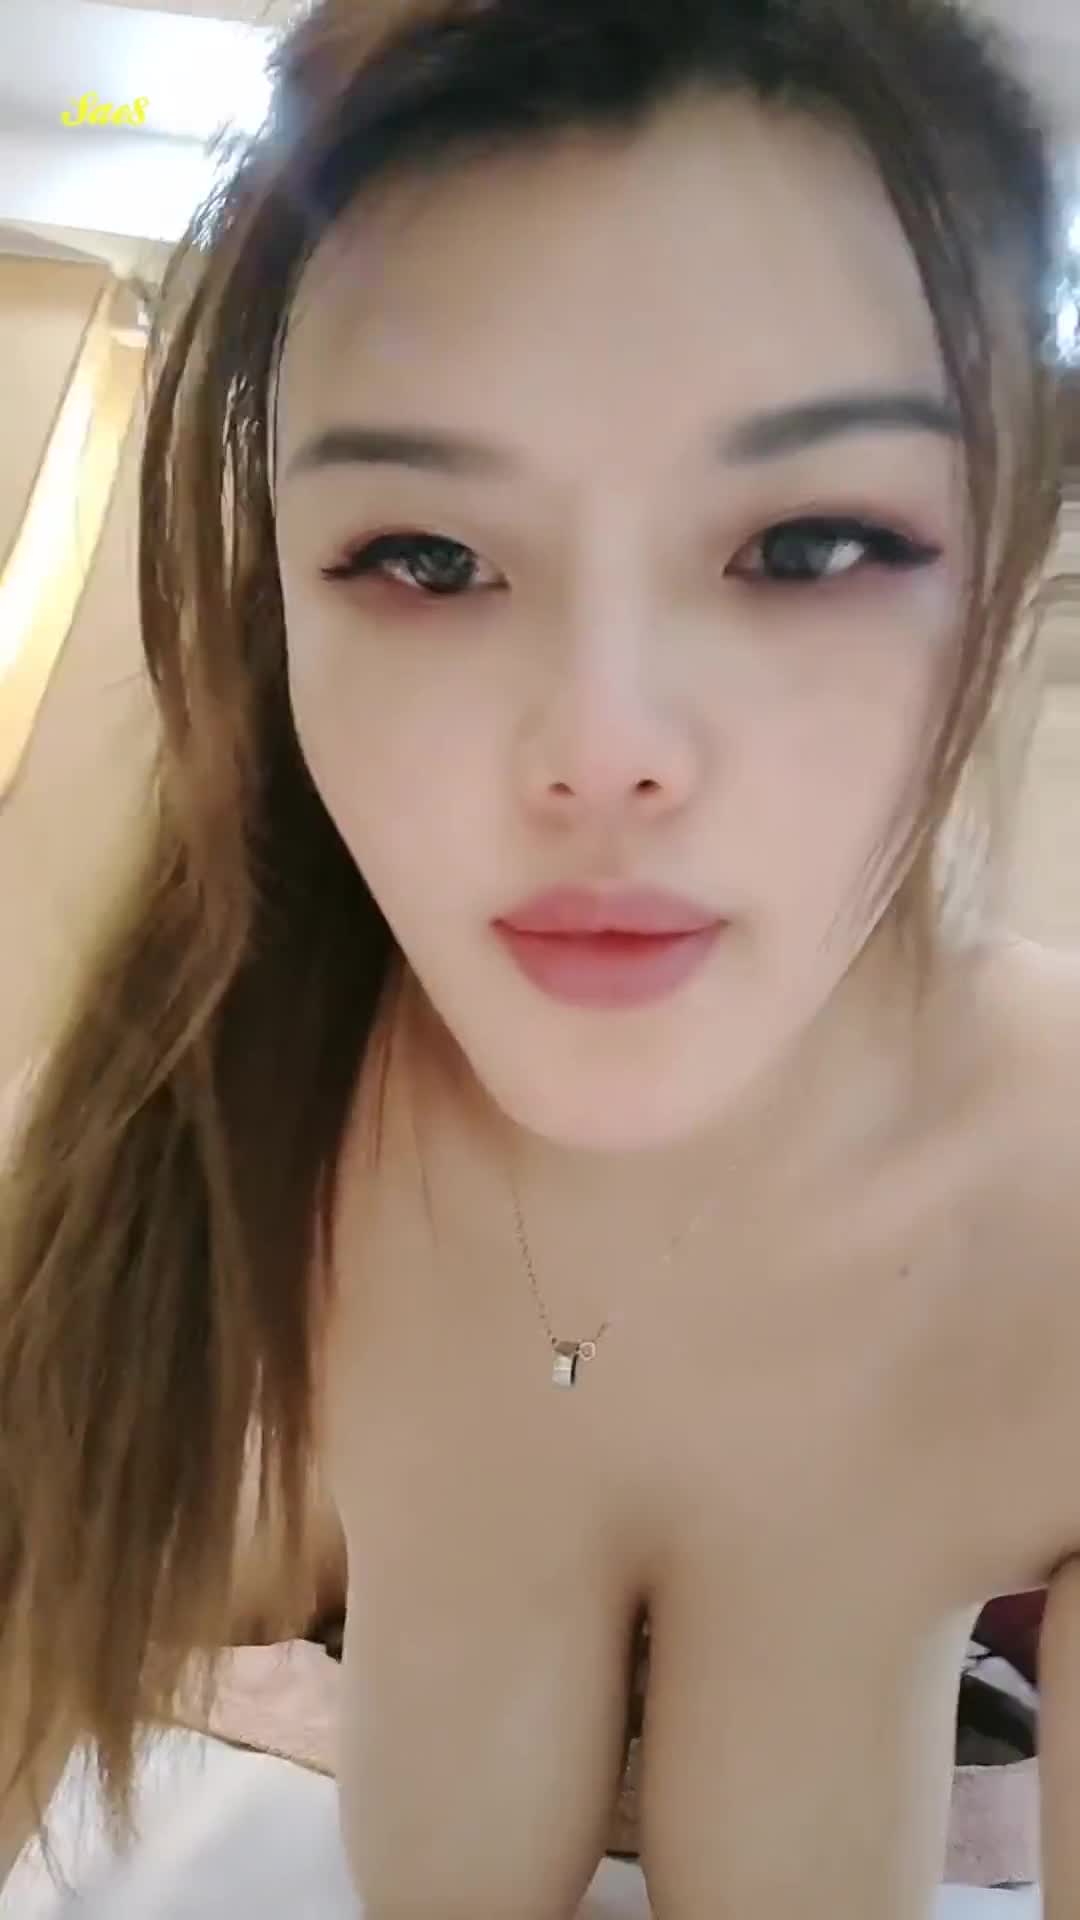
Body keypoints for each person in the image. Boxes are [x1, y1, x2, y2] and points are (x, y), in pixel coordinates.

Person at [2, 0, 1079, 1913]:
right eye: (427, 557)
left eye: (811, 546)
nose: (599, 746)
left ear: (1003, 570)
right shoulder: (219, 1126)